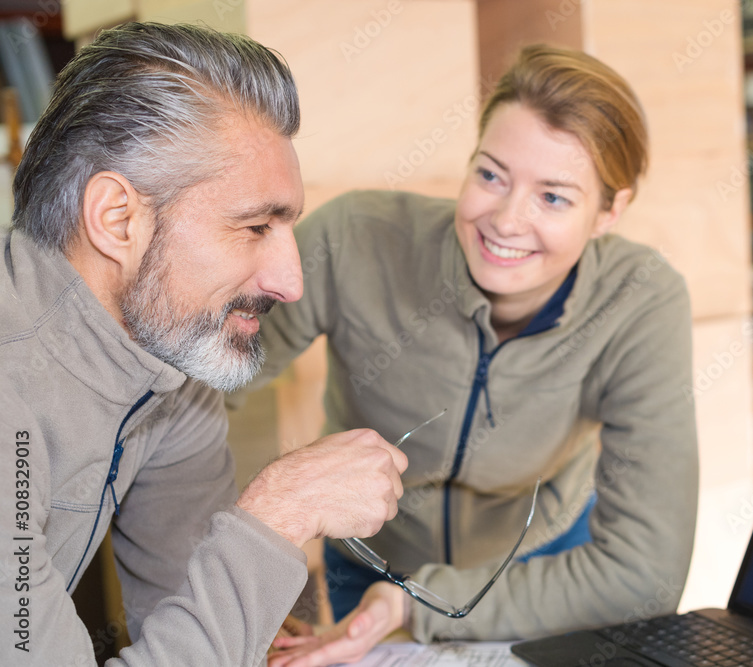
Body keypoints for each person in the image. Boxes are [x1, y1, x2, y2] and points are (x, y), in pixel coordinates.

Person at [259, 44, 699, 666]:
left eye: (554, 197)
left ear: (611, 210)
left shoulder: (641, 301)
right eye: (491, 175)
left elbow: (642, 573)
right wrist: (241, 557)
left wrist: (418, 604)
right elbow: (200, 391)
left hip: (548, 574)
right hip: (374, 564)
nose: (506, 222)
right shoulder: (353, 239)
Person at [0, 22, 407, 666]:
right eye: (253, 226)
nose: (291, 283)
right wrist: (281, 511)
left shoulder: (168, 361)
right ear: (117, 219)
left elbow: (201, 626)